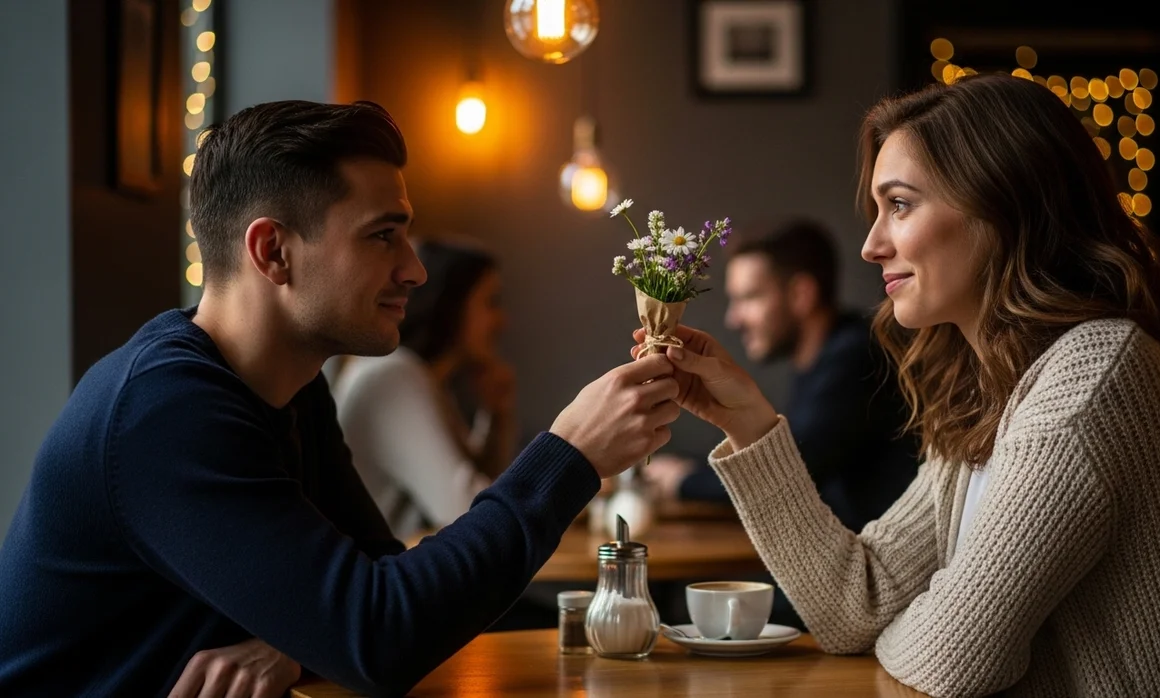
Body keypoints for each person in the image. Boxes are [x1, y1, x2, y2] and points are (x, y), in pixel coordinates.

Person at [0, 100, 681, 698]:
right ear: (272, 253)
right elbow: (381, 638)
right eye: (383, 235)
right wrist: (568, 457)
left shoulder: (290, 386)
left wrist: (298, 643)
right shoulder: (165, 410)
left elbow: (378, 580)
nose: (414, 269)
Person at [638, 74, 1160, 696]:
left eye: (900, 205)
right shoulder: (991, 389)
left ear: (1001, 205)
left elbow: (953, 660)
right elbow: (857, 603)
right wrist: (747, 421)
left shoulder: (1095, 377)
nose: (872, 246)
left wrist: (925, 628)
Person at [644, 220, 917, 533]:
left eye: (749, 298)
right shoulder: (828, 357)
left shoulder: (856, 358)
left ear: (801, 295)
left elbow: (784, 471)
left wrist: (682, 480)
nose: (733, 319)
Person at [332, 239, 516, 536]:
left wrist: (495, 414)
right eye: (490, 302)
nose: (501, 320)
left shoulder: (424, 377)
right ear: (452, 304)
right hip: (379, 576)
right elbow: (468, 511)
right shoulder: (395, 377)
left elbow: (484, 484)